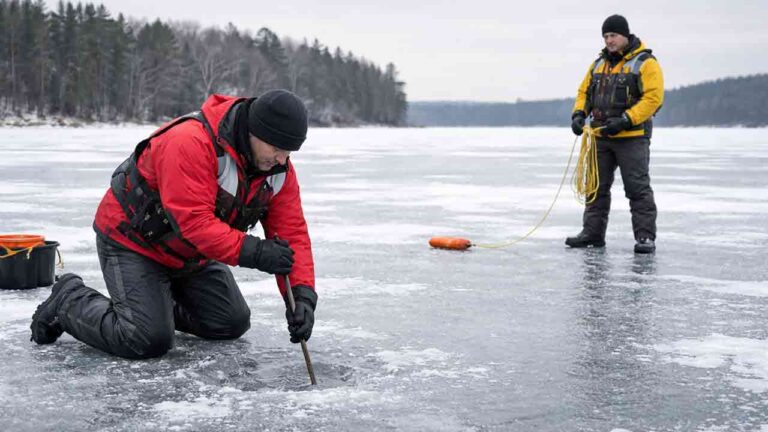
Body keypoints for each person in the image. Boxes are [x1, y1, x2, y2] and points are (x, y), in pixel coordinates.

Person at [30, 89, 317, 359]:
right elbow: (193, 222)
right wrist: (256, 252)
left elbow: (292, 233)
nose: (283, 159)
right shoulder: (190, 141)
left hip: (190, 256)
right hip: (133, 243)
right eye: (277, 148)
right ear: (255, 131)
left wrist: (302, 297)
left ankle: (151, 306)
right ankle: (69, 300)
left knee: (231, 322)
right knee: (146, 338)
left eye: (290, 152)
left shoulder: (276, 170)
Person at [567, 14, 664, 254]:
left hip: (632, 137)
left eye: (613, 35)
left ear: (625, 35)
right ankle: (593, 234)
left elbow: (653, 98)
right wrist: (579, 114)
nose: (609, 40)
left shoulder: (645, 63)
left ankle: (645, 238)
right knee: (595, 187)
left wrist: (625, 120)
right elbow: (584, 92)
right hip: (600, 136)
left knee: (637, 188)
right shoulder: (598, 64)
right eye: (606, 36)